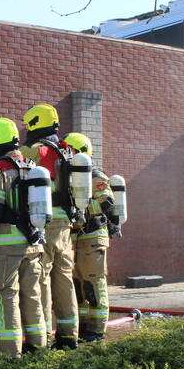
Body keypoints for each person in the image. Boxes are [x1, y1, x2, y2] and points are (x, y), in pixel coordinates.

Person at [0, 117, 46, 357]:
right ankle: (38, 347)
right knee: (32, 296)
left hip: (6, 248)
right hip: (33, 244)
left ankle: (10, 354)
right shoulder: (29, 164)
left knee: (7, 298)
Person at [20, 104, 80, 349]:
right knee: (64, 278)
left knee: (41, 278)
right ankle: (68, 335)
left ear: (34, 123)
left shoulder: (35, 150)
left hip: (43, 222)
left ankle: (42, 338)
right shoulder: (68, 150)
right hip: (66, 223)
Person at [64, 133, 118, 343]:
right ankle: (84, 325)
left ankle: (97, 330)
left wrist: (84, 210)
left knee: (94, 284)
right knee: (78, 284)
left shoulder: (96, 175)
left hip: (93, 237)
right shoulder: (70, 176)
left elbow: (107, 202)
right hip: (76, 237)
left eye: (68, 151)